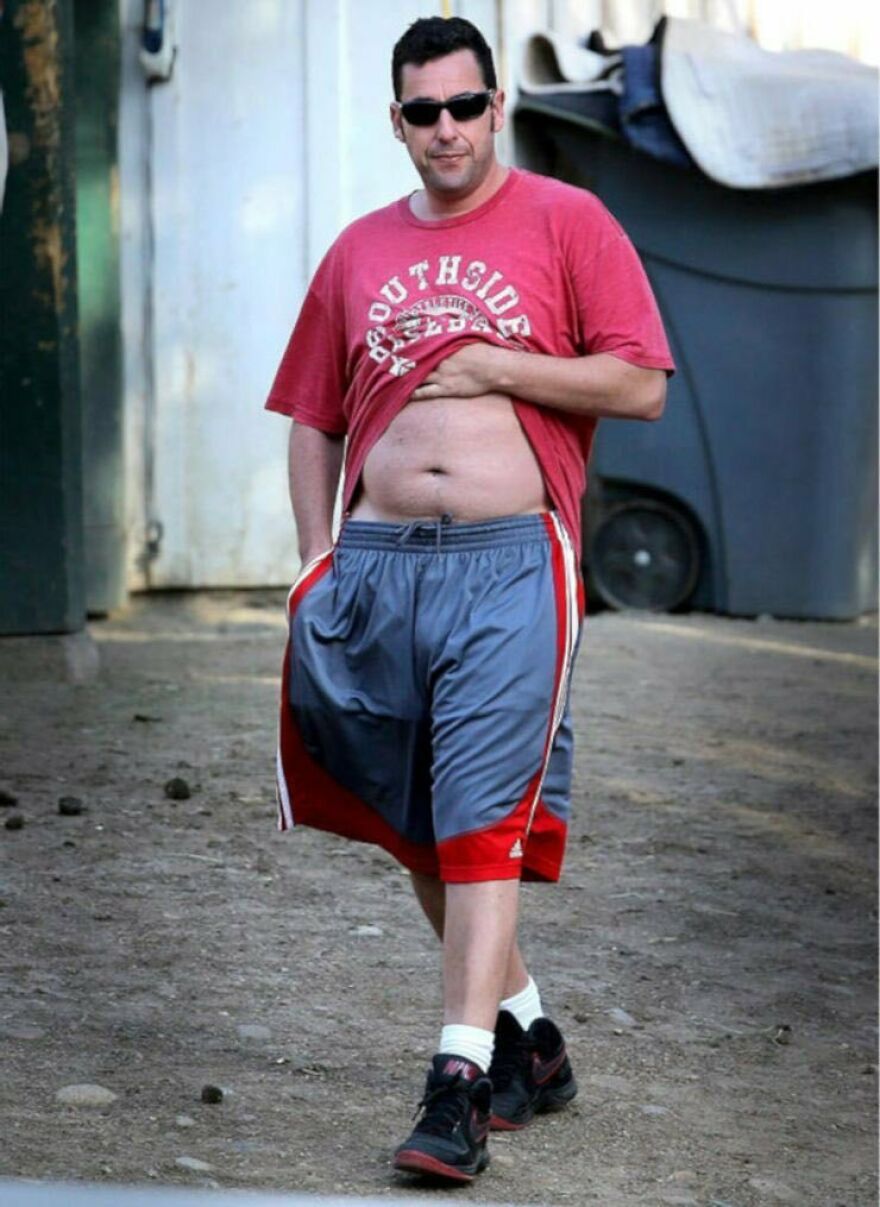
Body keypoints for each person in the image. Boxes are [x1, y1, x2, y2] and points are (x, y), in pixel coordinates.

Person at [265, 15, 675, 1185]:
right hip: (379, 564)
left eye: (464, 105)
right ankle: (529, 1040)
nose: (445, 128)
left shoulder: (567, 221)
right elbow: (311, 414)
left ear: (497, 108)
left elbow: (638, 383)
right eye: (421, 111)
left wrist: (498, 365)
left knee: (479, 812)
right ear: (396, 122)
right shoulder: (355, 251)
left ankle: (455, 1080)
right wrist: (313, 560)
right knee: (410, 815)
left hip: (508, 560)